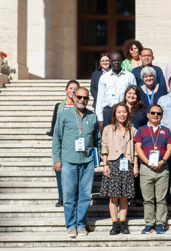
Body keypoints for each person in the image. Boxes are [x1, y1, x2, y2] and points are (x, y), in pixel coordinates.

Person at [52, 87, 100, 238]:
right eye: (79, 97)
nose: (82, 100)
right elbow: (57, 138)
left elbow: (97, 140)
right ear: (73, 97)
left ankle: (81, 224)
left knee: (85, 195)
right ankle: (71, 225)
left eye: (85, 98)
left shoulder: (92, 117)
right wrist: (57, 159)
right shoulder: (64, 115)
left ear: (88, 100)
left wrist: (97, 159)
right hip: (68, 160)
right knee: (69, 195)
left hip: (87, 162)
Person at [134, 105, 171, 234]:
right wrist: (147, 162)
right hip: (146, 168)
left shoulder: (166, 131)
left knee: (161, 198)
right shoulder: (141, 130)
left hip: (162, 169)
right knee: (148, 199)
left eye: (158, 113)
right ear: (148, 115)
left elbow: (169, 148)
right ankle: (149, 222)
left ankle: (161, 222)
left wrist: (162, 162)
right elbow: (138, 148)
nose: (155, 115)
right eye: (153, 113)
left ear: (161, 116)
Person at [101, 102, 138, 235]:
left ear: (128, 114)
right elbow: (104, 147)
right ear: (115, 114)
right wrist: (105, 164)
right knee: (113, 196)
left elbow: (136, 151)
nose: (122, 114)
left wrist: (136, 166)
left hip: (127, 164)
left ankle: (123, 223)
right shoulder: (108, 129)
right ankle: (114, 223)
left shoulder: (133, 130)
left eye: (124, 112)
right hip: (113, 163)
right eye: (119, 112)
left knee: (125, 196)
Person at [48, 80, 80, 207]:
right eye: (70, 88)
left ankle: (74, 197)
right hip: (61, 143)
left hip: (76, 143)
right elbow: (54, 125)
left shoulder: (80, 105)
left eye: (75, 89)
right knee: (59, 169)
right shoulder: (59, 106)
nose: (72, 91)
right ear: (66, 90)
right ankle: (61, 198)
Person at [96, 52, 137, 132]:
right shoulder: (104, 77)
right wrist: (100, 118)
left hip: (124, 111)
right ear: (110, 62)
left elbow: (135, 94)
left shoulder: (129, 76)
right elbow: (100, 98)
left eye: (119, 60)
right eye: (114, 60)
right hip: (108, 110)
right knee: (109, 135)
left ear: (122, 61)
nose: (116, 62)